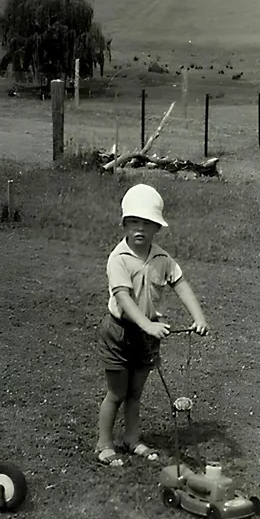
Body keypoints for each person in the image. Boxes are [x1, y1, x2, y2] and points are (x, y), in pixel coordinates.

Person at [95, 183, 209, 467]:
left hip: (148, 336)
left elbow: (180, 284)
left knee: (136, 393)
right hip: (119, 333)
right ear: (124, 223)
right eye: (134, 222)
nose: (140, 229)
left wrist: (199, 317)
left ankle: (132, 440)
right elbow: (123, 296)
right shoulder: (118, 259)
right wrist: (146, 324)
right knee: (117, 393)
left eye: (147, 223)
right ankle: (104, 444)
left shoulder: (162, 258)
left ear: (157, 227)